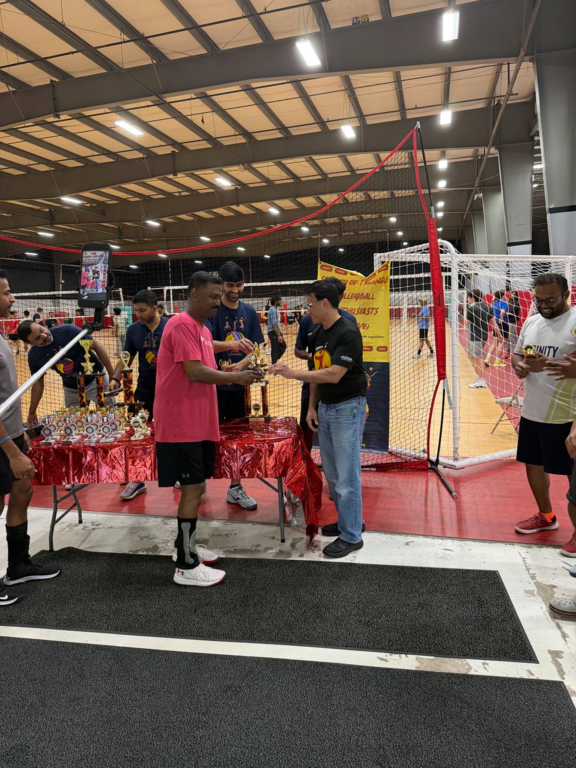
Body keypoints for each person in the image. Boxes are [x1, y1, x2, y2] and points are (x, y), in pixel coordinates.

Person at [154, 271, 262, 587]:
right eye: (213, 297)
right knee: (192, 490)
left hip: (196, 422)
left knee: (197, 487)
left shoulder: (200, 328)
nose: (218, 302)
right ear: (193, 294)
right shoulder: (181, 324)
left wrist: (232, 359)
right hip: (181, 424)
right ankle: (186, 565)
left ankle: (184, 547)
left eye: (219, 297)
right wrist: (235, 377)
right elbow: (196, 372)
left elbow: (207, 352)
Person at [270, 280, 366, 558]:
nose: (307, 310)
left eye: (310, 304)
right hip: (325, 408)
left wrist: (292, 374)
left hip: (347, 408)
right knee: (334, 475)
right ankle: (350, 521)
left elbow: (333, 374)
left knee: (347, 475)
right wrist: (312, 407)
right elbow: (316, 373)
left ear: (325, 303)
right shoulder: (317, 334)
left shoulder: (348, 332)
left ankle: (352, 535)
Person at [0, 270, 59, 606]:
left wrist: (20, 434)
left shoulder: (0, 334)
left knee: (21, 493)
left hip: (13, 433)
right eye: (6, 292)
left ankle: (19, 565)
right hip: (2, 442)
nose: (12, 298)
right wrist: (11, 451)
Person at [512, 273, 576, 558]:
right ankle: (546, 516)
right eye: (538, 300)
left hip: (567, 415)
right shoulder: (532, 321)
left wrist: (568, 369)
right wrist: (519, 365)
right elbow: (518, 354)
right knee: (534, 465)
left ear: (566, 295)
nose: (544, 305)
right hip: (533, 411)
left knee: (573, 476)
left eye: (550, 300)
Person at [206, 261, 263, 511]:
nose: (234, 290)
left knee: (238, 439)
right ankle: (198, 480)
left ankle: (235, 488)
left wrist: (241, 365)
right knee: (206, 436)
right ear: (221, 285)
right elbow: (204, 344)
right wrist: (232, 346)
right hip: (212, 386)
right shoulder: (212, 311)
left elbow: (257, 347)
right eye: (230, 285)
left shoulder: (249, 312)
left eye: (238, 285)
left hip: (239, 387)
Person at [107, 291, 168, 501]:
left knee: (173, 433)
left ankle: (176, 472)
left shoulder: (171, 326)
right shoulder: (133, 330)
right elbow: (126, 358)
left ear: (155, 308)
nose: (138, 314)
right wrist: (115, 379)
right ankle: (137, 479)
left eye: (142, 310)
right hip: (144, 389)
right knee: (138, 434)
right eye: (136, 311)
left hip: (171, 389)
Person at [294, 276, 357, 453]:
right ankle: (306, 463)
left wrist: (330, 360)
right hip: (313, 382)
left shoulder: (348, 323)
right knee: (307, 424)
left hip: (339, 389)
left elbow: (345, 360)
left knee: (339, 441)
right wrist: (317, 358)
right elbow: (298, 350)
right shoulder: (309, 320)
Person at [18, 321, 116, 422]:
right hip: (71, 388)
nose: (44, 335)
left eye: (41, 330)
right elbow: (38, 384)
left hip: (96, 380)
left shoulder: (67, 330)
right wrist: (32, 412)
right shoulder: (35, 356)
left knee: (108, 417)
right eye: (38, 338)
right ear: (30, 343)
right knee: (75, 422)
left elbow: (96, 346)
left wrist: (112, 375)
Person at [466, 289, 503, 389]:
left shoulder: (471, 309)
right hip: (483, 336)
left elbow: (466, 323)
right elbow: (494, 324)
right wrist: (499, 335)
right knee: (470, 356)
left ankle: (481, 380)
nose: (467, 299)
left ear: (472, 298)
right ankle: (478, 376)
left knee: (477, 358)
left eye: (468, 297)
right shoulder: (488, 308)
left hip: (476, 336)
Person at [484, 289, 508, 367]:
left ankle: (487, 358)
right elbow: (503, 312)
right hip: (502, 324)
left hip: (495, 324)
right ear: (503, 295)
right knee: (501, 342)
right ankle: (497, 361)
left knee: (494, 343)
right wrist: (501, 318)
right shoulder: (504, 303)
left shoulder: (494, 303)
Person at [267, 295, 286, 364]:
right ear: (275, 302)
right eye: (279, 300)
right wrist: (278, 335)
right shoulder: (272, 310)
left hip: (275, 331)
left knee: (282, 346)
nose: (280, 302)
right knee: (275, 348)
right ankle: (274, 363)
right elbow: (274, 324)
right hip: (273, 332)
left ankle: (274, 361)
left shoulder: (274, 310)